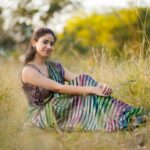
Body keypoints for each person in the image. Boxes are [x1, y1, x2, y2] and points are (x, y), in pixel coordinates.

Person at [21, 27, 147, 132]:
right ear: (34, 43)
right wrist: (92, 89)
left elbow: (79, 78)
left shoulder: (55, 66)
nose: (49, 46)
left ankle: (128, 115)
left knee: (84, 79)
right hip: (42, 115)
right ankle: (127, 117)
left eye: (52, 43)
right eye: (45, 42)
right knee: (86, 89)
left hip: (60, 107)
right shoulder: (29, 71)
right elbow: (58, 87)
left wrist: (100, 86)